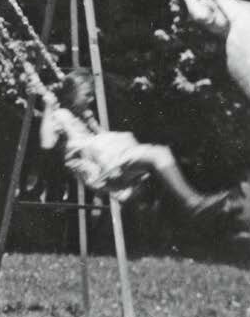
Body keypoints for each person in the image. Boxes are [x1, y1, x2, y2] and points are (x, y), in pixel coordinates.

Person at [39, 69, 227, 218]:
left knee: (157, 163)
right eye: (87, 95)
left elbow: (102, 137)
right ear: (72, 94)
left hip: (107, 161)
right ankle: (191, 202)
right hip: (101, 164)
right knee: (159, 154)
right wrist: (48, 108)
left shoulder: (81, 116)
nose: (91, 100)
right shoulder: (60, 115)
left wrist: (92, 124)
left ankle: (168, 203)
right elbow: (47, 143)